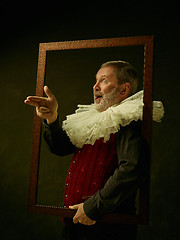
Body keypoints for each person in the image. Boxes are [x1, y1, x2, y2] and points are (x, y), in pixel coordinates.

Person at [24, 60, 164, 240]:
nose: (95, 86)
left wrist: (92, 208)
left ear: (124, 89)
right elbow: (59, 148)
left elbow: (133, 168)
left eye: (104, 80)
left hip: (107, 228)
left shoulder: (127, 119)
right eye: (96, 80)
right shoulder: (92, 119)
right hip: (75, 223)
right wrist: (52, 118)